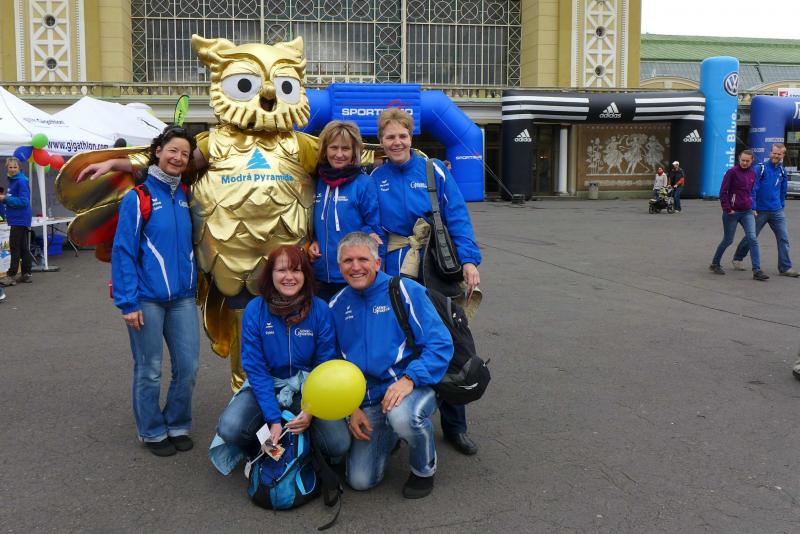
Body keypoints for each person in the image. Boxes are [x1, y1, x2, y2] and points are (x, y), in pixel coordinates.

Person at [371, 107, 482, 456]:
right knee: (398, 343)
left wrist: (469, 261)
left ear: (411, 136)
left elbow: (458, 217)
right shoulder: (375, 178)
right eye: (390, 137)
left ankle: (455, 426)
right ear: (381, 141)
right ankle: (398, 424)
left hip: (436, 266)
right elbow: (372, 226)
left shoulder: (434, 171)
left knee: (446, 339)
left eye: (402, 135)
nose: (397, 142)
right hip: (394, 268)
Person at [328, 232, 454, 498]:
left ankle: (423, 469)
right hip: (367, 399)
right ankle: (390, 435)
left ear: (377, 263)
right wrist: (351, 408)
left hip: (411, 385)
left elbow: (441, 344)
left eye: (363, 259)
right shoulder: (336, 306)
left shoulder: (404, 290)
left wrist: (410, 379)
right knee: (360, 481)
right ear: (339, 266)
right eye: (348, 261)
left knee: (403, 416)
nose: (355, 267)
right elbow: (333, 364)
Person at [213, 245, 349, 470]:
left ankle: (301, 447)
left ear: (305, 275)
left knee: (338, 444)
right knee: (231, 428)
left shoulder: (320, 309)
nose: (289, 277)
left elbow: (324, 365)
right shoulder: (255, 310)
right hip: (267, 385)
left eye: (296, 270)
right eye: (281, 270)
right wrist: (273, 419)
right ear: (270, 275)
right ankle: (266, 448)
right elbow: (256, 368)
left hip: (308, 387)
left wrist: (310, 409)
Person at [112, 125, 200, 456]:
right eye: (173, 150)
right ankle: (151, 431)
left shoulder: (187, 195)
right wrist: (127, 302)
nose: (178, 158)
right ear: (158, 151)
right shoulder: (138, 198)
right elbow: (123, 251)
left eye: (184, 154)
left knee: (188, 368)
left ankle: (177, 423)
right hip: (146, 300)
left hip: (183, 299)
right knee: (149, 370)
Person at [308, 121, 383, 302]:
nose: (339, 154)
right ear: (325, 150)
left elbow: (374, 226)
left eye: (345, 148)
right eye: (334, 148)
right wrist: (313, 241)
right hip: (320, 276)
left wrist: (369, 235)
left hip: (352, 276)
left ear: (354, 152)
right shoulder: (316, 182)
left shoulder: (363, 183)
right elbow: (311, 221)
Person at [731, 144, 799, 277]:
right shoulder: (760, 168)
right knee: (751, 237)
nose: (776, 156)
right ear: (770, 153)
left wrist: (781, 205)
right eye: (774, 153)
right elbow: (752, 188)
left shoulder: (782, 171)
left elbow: (783, 190)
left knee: (783, 238)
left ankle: (785, 268)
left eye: (779, 154)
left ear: (783, 155)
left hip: (777, 211)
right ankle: (738, 258)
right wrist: (753, 206)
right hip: (759, 210)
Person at [709, 149, 769, 281]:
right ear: (739, 159)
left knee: (752, 238)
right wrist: (727, 208)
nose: (745, 163)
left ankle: (757, 270)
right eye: (743, 160)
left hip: (747, 211)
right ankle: (715, 263)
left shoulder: (753, 173)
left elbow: (751, 192)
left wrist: (753, 207)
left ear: (752, 161)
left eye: (747, 161)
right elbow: (723, 192)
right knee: (728, 240)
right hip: (732, 212)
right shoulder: (732, 172)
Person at [0, 158, 33, 286]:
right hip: (18, 219)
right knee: (23, 247)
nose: (13, 169)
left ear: (19, 168)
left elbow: (24, 201)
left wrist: (5, 198)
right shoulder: (14, 180)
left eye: (15, 167)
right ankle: (26, 274)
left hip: (20, 219)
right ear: (7, 168)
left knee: (14, 247)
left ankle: (11, 275)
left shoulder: (21, 181)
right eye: (10, 167)